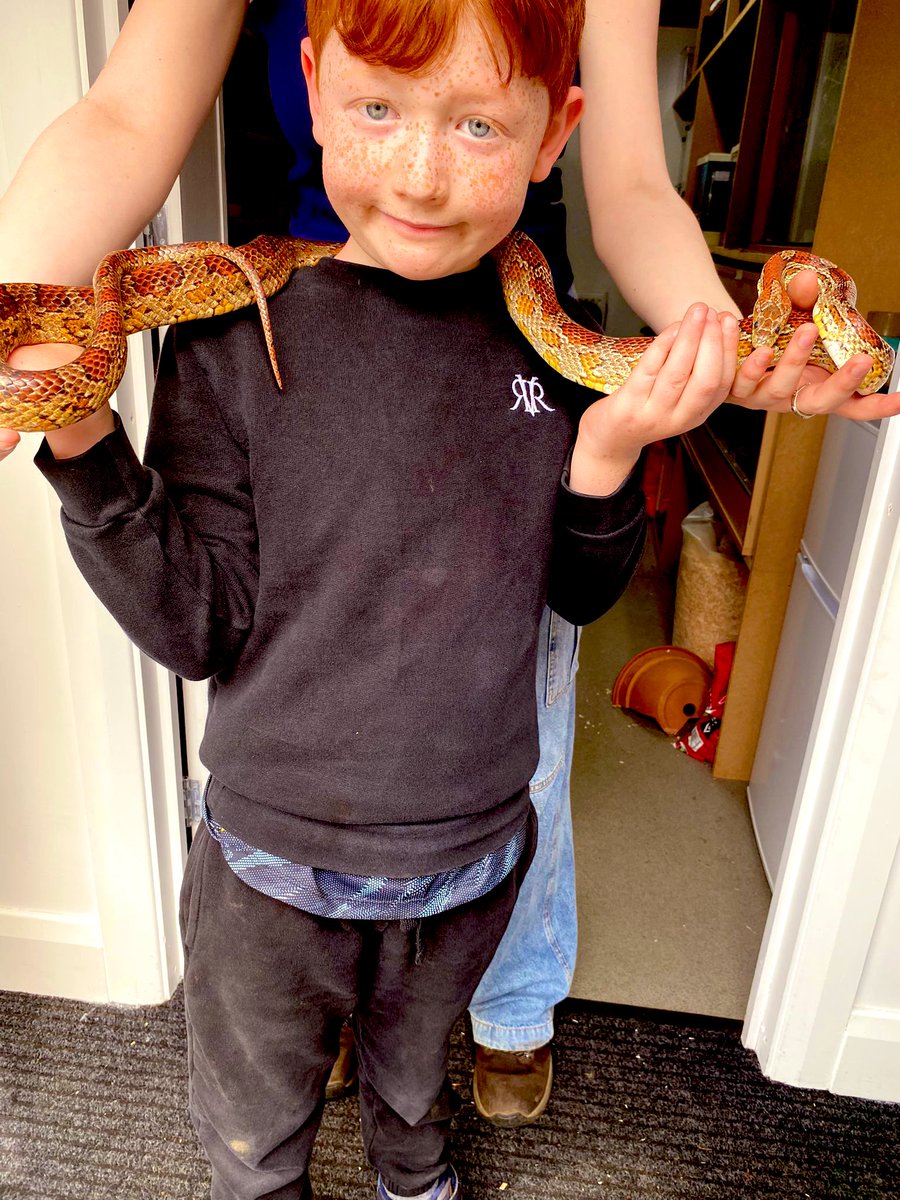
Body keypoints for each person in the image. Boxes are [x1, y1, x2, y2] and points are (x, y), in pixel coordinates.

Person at [0, 0, 890, 1133]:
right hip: (307, 321)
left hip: (509, 333)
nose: (422, 173)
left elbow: (629, 186)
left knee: (507, 712)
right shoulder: (222, 359)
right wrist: (13, 307)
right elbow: (126, 113)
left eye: (475, 126)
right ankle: (322, 1004)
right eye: (375, 108)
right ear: (321, 85)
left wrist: (721, 341)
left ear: (542, 132)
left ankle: (500, 1008)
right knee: (323, 695)